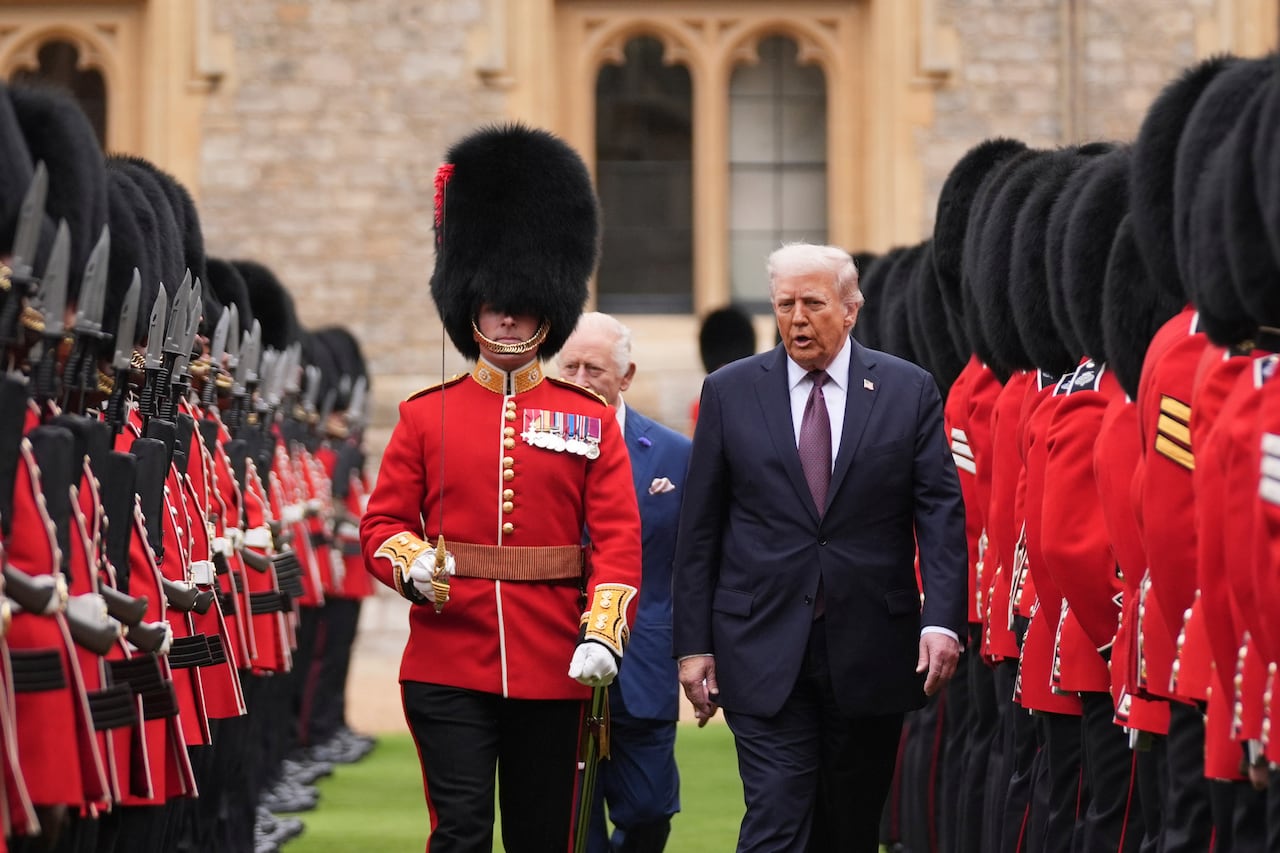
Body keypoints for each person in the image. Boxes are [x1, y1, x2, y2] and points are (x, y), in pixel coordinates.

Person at [360, 125, 642, 853]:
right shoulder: (427, 414)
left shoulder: (587, 419)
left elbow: (615, 537)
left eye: (520, 301)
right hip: (449, 657)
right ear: (469, 306)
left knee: (543, 836)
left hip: (555, 659)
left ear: (549, 307)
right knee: (459, 833)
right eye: (491, 302)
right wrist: (411, 563)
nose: (506, 314)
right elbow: (384, 520)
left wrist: (603, 629)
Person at [672, 242, 967, 853]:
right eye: (785, 305)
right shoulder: (730, 392)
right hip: (759, 643)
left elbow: (939, 513)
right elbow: (699, 529)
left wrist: (942, 620)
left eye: (812, 303)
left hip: (869, 647)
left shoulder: (907, 390)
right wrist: (693, 644)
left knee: (848, 827)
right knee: (777, 817)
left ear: (851, 308)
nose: (797, 319)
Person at [558, 312, 692, 853]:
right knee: (572, 820)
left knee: (649, 810)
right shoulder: (531, 450)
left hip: (645, 660)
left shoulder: (673, 454)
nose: (582, 378)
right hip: (557, 657)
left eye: (595, 368)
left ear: (626, 376)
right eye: (571, 367)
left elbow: (694, 562)